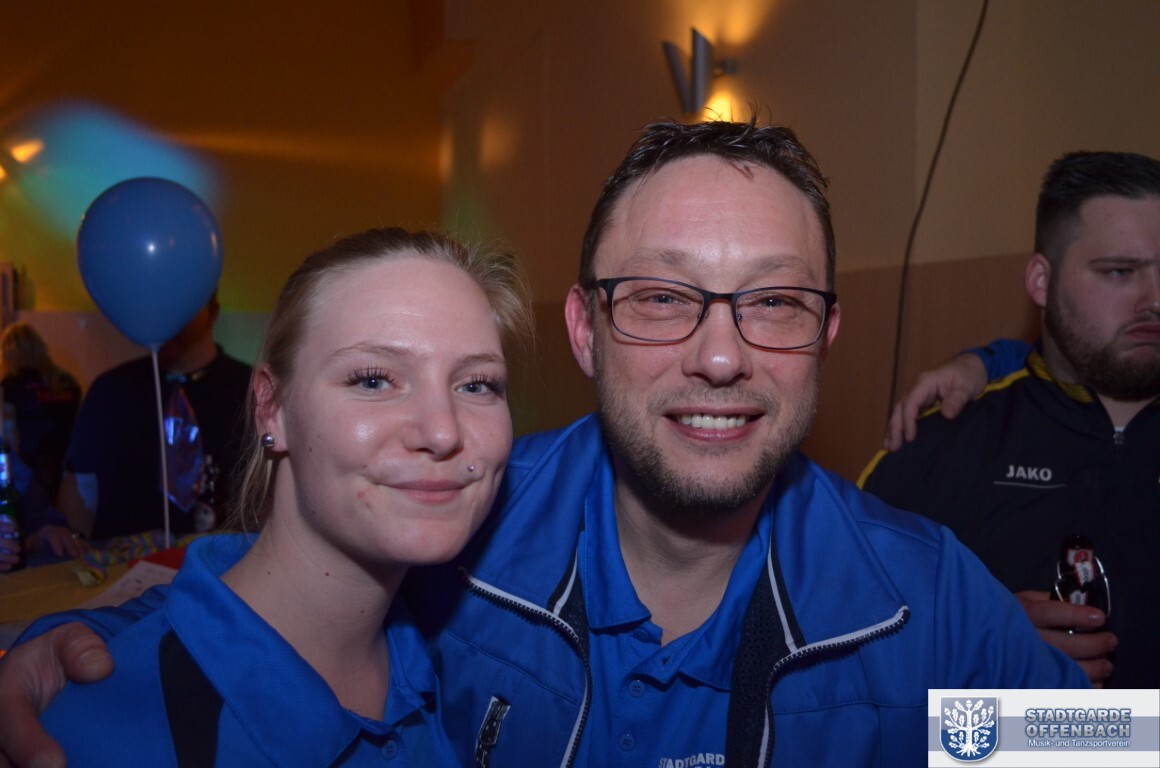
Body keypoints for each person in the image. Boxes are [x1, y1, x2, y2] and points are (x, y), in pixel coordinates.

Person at [0, 120, 1088, 768]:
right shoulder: (459, 523)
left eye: (773, 303)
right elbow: (276, 591)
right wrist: (69, 649)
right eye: (660, 298)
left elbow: (1091, 746)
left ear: (824, 337)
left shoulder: (919, 603)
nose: (720, 357)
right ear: (583, 330)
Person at [37, 228, 533, 764]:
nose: (442, 431)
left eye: (478, 384)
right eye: (373, 380)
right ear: (271, 409)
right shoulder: (106, 734)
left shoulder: (469, 664)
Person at [861, 151, 1160, 689]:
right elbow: (842, 668)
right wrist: (978, 642)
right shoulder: (941, 442)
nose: (1155, 301)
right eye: (1120, 272)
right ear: (1041, 281)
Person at [56, 293, 252, 541]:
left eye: (180, 306)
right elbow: (78, 491)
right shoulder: (110, 391)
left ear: (211, 313)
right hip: (123, 561)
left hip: (225, 558)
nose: (166, 318)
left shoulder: (250, 391)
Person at [0, 323, 83, 569]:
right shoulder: (68, 382)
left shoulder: (11, 386)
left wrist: (46, 524)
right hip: (68, 474)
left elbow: (23, 485)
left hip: (48, 477)